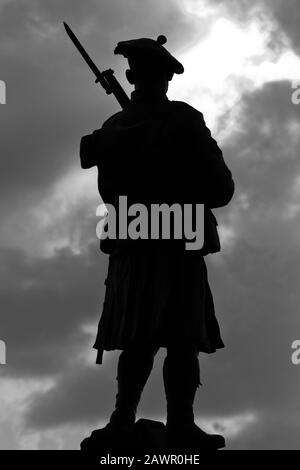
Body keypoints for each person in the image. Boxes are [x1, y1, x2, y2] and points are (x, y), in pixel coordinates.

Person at [80, 34, 235, 450]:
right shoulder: (170, 122)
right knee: (167, 338)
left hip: (147, 243)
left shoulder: (123, 128)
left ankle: (136, 421)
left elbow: (111, 195)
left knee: (155, 339)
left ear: (130, 76)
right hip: (166, 242)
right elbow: (219, 189)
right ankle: (161, 423)